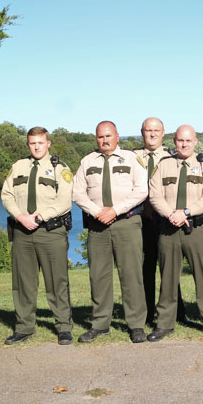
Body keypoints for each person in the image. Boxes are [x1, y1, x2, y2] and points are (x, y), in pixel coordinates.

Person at [73, 121, 149, 343]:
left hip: (126, 223)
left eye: (108, 136)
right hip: (98, 225)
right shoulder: (87, 161)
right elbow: (77, 193)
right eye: (100, 137)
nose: (104, 140)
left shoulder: (132, 159)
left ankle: (136, 325)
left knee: (131, 275)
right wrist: (97, 212)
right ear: (95, 139)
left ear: (117, 136)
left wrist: (115, 210)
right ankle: (100, 324)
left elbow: (141, 190)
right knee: (98, 275)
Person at [147, 125, 203, 342]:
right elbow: (155, 195)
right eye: (180, 140)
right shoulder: (163, 166)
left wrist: (187, 212)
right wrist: (172, 214)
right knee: (168, 278)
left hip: (197, 228)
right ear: (174, 141)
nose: (184, 144)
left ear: (195, 141)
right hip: (169, 228)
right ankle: (164, 324)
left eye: (188, 141)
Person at [1, 127, 74, 345]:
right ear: (28, 144)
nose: (36, 147)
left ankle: (63, 327)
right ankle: (24, 327)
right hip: (22, 231)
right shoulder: (18, 167)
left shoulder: (60, 168)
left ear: (48, 143)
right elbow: (7, 195)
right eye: (32, 143)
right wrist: (20, 216)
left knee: (57, 281)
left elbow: (64, 202)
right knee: (23, 282)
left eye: (40, 143)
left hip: (50, 232)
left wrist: (40, 216)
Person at [134, 117, 190, 326]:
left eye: (156, 130)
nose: (152, 134)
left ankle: (177, 311)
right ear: (142, 132)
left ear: (163, 133)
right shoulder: (133, 157)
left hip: (166, 219)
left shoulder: (173, 157)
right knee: (144, 268)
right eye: (148, 130)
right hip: (140, 219)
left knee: (170, 269)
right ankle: (146, 313)